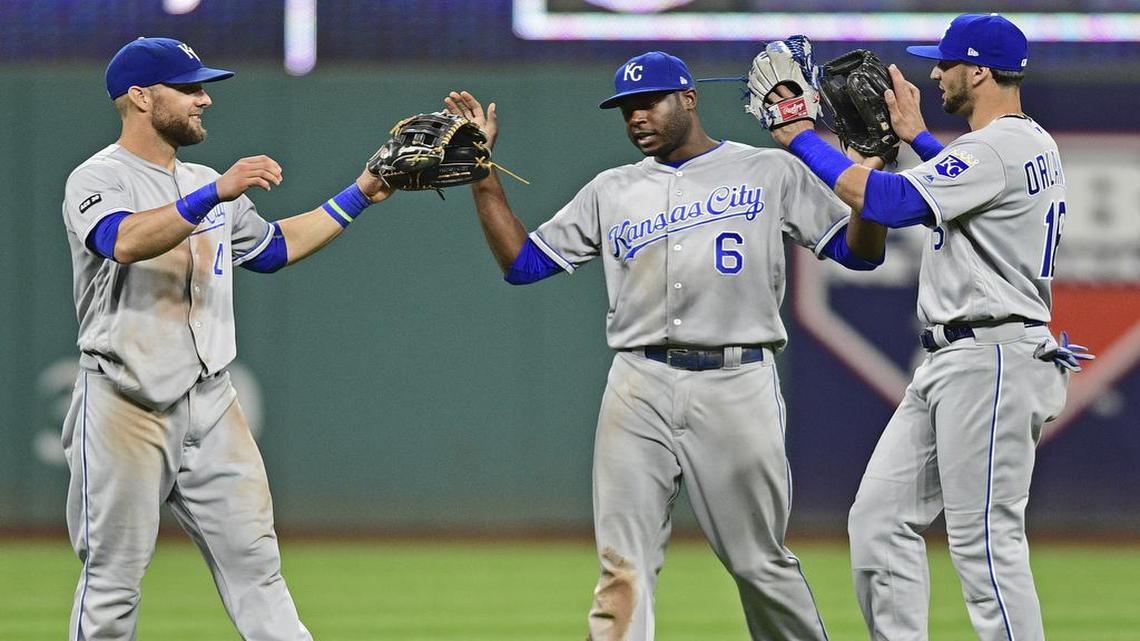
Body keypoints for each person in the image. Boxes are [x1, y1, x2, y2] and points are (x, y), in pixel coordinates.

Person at [445, 50, 888, 641]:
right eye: (626, 109)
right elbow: (523, 264)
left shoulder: (767, 170)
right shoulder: (612, 189)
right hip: (638, 383)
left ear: (689, 99)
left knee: (759, 563)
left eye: (648, 102)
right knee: (621, 567)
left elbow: (860, 252)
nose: (635, 118)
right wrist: (483, 173)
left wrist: (872, 190)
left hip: (737, 381)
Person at [61, 37, 391, 640]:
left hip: (211, 403)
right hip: (123, 404)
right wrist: (214, 193)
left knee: (259, 570)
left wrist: (363, 191)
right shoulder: (99, 176)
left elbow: (273, 249)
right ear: (140, 97)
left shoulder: (203, 179)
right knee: (112, 582)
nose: (204, 99)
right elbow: (125, 241)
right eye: (188, 88)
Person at [766, 14, 1081, 641]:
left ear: (980, 71)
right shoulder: (1019, 145)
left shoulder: (999, 146)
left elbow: (888, 203)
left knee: (985, 543)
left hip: (991, 355)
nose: (933, 73)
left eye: (945, 63)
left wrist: (800, 134)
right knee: (880, 521)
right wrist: (916, 139)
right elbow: (976, 199)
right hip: (962, 358)